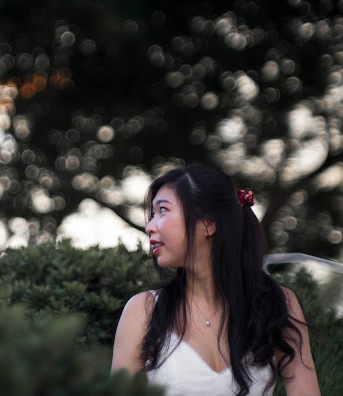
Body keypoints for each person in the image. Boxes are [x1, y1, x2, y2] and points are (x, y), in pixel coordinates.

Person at [111, 165, 320, 395]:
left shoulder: (278, 304)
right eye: (152, 214)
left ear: (208, 224)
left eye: (162, 211)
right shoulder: (143, 309)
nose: (150, 226)